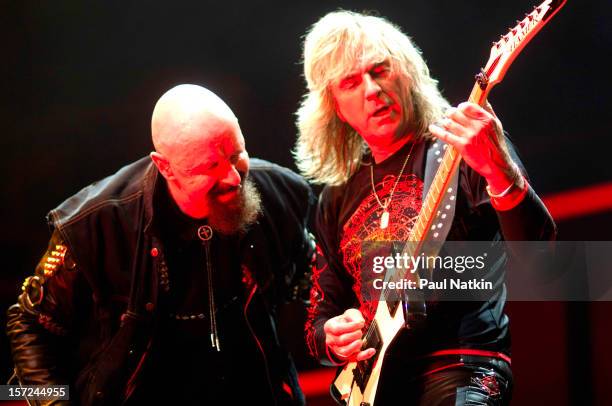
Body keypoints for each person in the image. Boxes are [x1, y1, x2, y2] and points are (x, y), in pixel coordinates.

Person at [295, 11, 556, 405]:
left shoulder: (465, 147)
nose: (371, 90)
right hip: (378, 386)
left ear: (407, 72)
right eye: (351, 82)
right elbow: (321, 314)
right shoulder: (335, 198)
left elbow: (543, 258)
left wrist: (500, 171)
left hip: (462, 365)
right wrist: (333, 335)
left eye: (380, 70)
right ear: (334, 105)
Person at [7, 84, 315, 405]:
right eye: (210, 167)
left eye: (237, 155)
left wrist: (331, 330)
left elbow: (311, 286)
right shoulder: (93, 224)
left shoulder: (282, 194)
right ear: (164, 166)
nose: (233, 178)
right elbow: (29, 325)